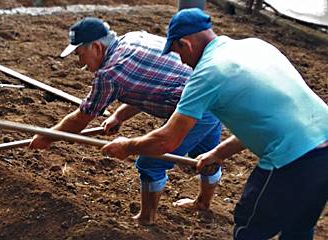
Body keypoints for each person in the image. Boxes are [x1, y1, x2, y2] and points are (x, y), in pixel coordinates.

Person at [102, 8, 328, 239]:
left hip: (292, 159)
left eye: (177, 52)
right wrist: (219, 152)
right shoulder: (256, 46)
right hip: (323, 146)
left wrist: (128, 146)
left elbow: (167, 140)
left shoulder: (207, 73)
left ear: (184, 44)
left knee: (250, 225)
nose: (181, 61)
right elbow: (267, 118)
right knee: (298, 225)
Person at [29, 17, 223, 225]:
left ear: (96, 47)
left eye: (80, 54)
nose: (80, 63)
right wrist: (119, 116)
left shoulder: (110, 73)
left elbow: (81, 118)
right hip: (216, 94)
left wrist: (47, 137)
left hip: (195, 108)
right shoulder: (132, 39)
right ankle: (203, 203)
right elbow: (149, 83)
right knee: (208, 155)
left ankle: (146, 218)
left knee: (150, 161)